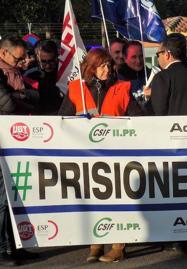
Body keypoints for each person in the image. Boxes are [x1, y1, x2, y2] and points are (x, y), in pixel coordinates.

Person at [58, 48, 143, 263]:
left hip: (117, 157)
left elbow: (140, 119)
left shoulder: (122, 88)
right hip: (87, 157)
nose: (108, 69)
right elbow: (62, 119)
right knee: (92, 201)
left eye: (109, 65)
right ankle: (96, 243)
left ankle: (118, 246)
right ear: (91, 68)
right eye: (102, 65)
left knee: (117, 201)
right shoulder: (76, 89)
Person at [0, 35, 40, 266]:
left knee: (14, 197)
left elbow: (32, 99)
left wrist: (21, 97)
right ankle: (4, 249)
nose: (24, 61)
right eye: (19, 57)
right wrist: (22, 97)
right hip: (4, 141)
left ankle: (15, 246)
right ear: (4, 53)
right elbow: (10, 104)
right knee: (3, 199)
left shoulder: (12, 73)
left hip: (13, 141)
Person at [150, 33, 187, 115]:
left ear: (167, 54)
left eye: (158, 54)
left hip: (170, 127)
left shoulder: (161, 77)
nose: (158, 58)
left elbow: (158, 112)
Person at [24, 40, 63, 115]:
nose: (48, 65)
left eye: (51, 61)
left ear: (57, 57)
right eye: (44, 61)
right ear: (38, 58)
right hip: (38, 119)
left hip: (60, 117)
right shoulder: (30, 75)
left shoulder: (64, 73)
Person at [118, 41, 151, 111]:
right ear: (125, 58)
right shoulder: (117, 79)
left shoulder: (151, 75)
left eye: (141, 56)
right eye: (134, 57)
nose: (138, 61)